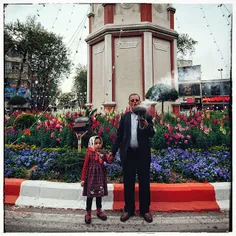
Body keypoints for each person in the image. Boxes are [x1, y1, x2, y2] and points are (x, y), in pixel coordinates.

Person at [109, 93, 155, 223]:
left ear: (140, 102)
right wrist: (113, 152)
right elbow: (119, 136)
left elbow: (152, 133)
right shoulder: (125, 118)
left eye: (137, 100)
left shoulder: (147, 116)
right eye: (132, 101)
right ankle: (128, 209)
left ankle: (145, 210)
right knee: (128, 183)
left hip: (142, 155)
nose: (135, 102)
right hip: (128, 154)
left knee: (144, 183)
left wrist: (146, 124)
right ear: (129, 103)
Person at [81, 135, 112, 224]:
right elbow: (85, 167)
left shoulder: (102, 153)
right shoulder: (89, 154)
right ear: (92, 144)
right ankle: (88, 213)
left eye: (99, 143)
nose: (98, 145)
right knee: (90, 196)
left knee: (99, 194)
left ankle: (99, 211)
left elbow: (109, 161)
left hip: (100, 177)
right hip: (90, 178)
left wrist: (110, 155)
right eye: (96, 143)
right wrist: (83, 179)